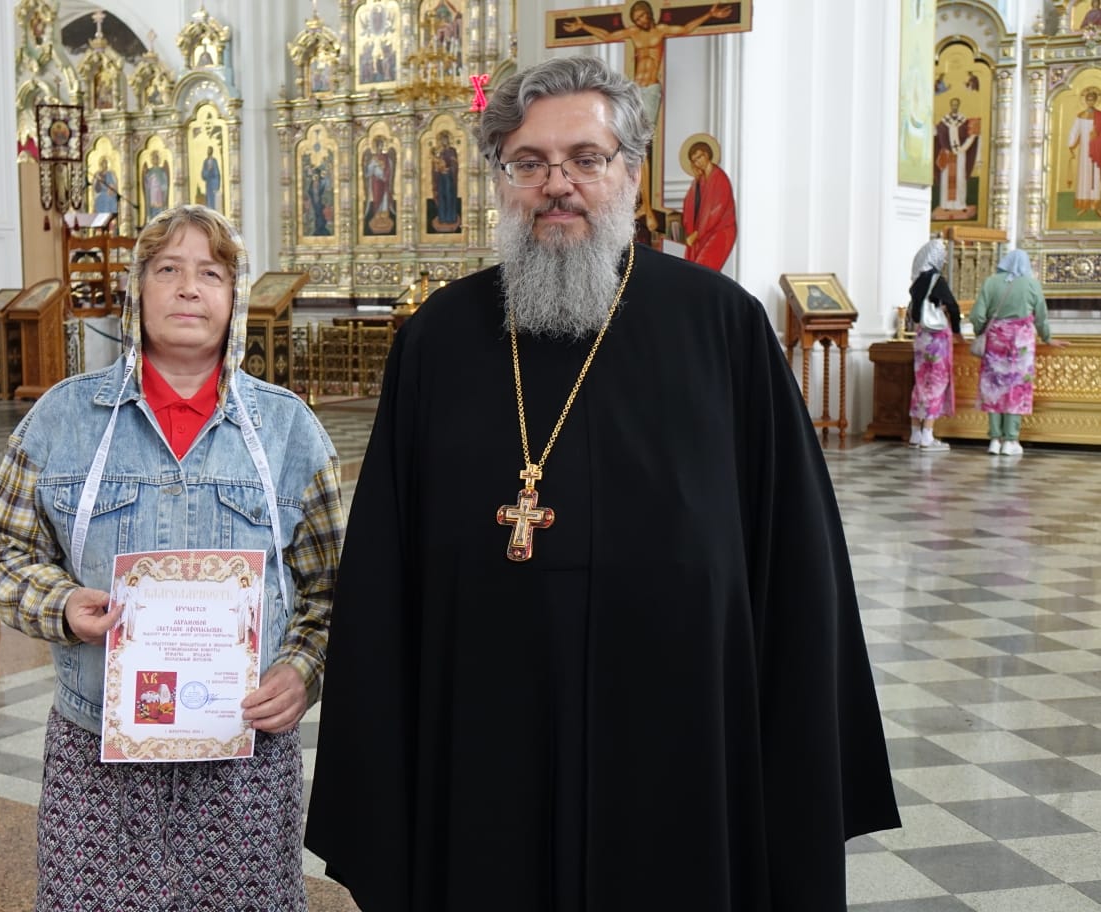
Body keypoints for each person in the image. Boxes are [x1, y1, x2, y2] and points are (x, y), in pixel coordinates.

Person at [304, 55, 899, 911]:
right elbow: (382, 579)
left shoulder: (721, 328)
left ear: (632, 173)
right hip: (483, 745)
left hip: (678, 745)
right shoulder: (437, 340)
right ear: (499, 178)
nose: (558, 185)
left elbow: (797, 567)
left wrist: (798, 770)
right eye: (530, 162)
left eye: (586, 158)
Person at [0, 204, 346, 911]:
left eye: (211, 273)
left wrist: (303, 671)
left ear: (234, 298)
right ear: (136, 290)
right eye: (168, 269)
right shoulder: (62, 420)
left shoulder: (288, 431)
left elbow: (335, 588)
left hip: (241, 752)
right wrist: (62, 605)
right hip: (97, 751)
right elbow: (0, 554)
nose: (188, 288)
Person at [563, 1, 732, 234]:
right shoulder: (633, 33)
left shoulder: (661, 31)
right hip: (634, 91)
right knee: (629, 145)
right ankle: (641, 205)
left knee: (642, 148)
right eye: (637, 17)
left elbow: (685, 28)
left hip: (651, 89)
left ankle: (648, 208)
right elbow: (607, 34)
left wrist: (710, 13)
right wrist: (582, 25)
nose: (641, 20)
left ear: (650, 15)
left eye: (643, 15)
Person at [969, 249, 1068, 456]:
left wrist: (981, 332)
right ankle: (1010, 440)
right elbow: (1041, 316)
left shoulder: (991, 282)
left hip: (995, 340)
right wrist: (1047, 338)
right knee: (1016, 387)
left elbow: (977, 314)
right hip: (1021, 342)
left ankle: (994, 440)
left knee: (994, 387)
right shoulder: (1032, 284)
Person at [906, 239, 962, 450]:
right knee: (937, 383)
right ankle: (928, 434)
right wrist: (956, 330)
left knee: (920, 383)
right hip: (937, 338)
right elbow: (953, 306)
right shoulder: (936, 279)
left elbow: (915, 314)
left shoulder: (916, 282)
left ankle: (915, 433)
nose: (944, 259)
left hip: (922, 337)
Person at [680, 136, 736, 270]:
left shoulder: (720, 178)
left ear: (707, 154)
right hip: (701, 234)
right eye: (694, 161)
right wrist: (696, 181)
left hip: (719, 232)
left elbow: (716, 211)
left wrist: (696, 234)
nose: (698, 162)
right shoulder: (700, 180)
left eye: (699, 157)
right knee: (692, 269)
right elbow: (688, 205)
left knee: (702, 269)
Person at [934, 97, 978, 213]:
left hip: (960, 154)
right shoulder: (944, 121)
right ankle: (946, 204)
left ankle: (960, 204)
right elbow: (937, 134)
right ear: (950, 105)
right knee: (946, 179)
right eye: (952, 104)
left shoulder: (963, 121)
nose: (954, 107)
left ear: (958, 105)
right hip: (947, 153)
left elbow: (971, 135)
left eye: (956, 104)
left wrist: (962, 148)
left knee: (960, 178)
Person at [1067, 88, 1101, 215]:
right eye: (1088, 100)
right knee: (1084, 176)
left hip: (1098, 150)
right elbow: (1074, 130)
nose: (1090, 102)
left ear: (1096, 101)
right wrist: (1071, 143)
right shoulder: (1081, 116)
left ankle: (1096, 205)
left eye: (1093, 100)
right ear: (1085, 101)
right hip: (1085, 151)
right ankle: (1084, 205)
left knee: (1096, 176)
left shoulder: (1100, 116)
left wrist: (1097, 136)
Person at [431, 130, 461, 230]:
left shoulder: (452, 151)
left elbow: (454, 165)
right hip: (441, 178)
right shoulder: (439, 152)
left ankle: (450, 218)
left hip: (449, 178)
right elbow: (435, 165)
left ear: (448, 140)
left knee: (449, 196)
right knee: (441, 196)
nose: (443, 142)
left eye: (445, 140)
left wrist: (449, 169)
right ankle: (442, 218)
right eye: (442, 140)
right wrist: (437, 168)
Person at [141, 150, 169, 221]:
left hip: (159, 194)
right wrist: (145, 175)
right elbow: (147, 185)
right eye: (153, 158)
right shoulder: (149, 171)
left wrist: (161, 187)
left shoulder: (162, 171)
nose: (155, 160)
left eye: (156, 158)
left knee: (160, 210)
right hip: (152, 195)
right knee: (153, 210)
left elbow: (165, 183)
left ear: (159, 159)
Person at [201, 145, 222, 211]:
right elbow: (203, 175)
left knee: (214, 202)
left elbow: (217, 174)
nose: (208, 151)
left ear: (212, 151)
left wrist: (217, 186)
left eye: (210, 150)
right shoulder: (205, 162)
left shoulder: (214, 161)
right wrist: (208, 170)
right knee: (209, 201)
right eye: (208, 150)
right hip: (208, 185)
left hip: (214, 184)